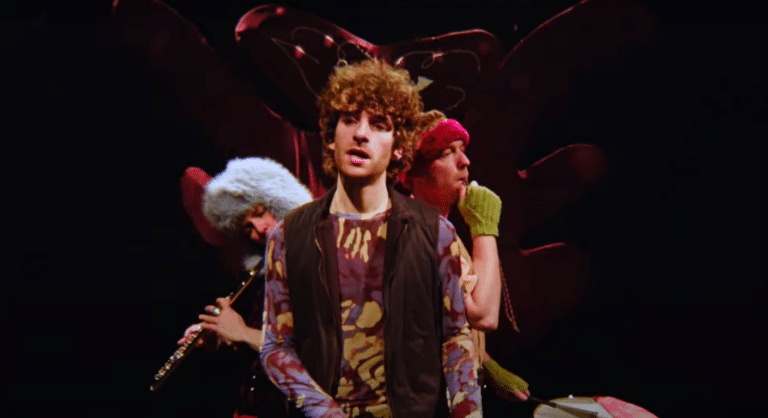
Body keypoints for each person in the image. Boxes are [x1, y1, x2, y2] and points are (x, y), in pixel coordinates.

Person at [260, 59, 481, 417]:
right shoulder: (289, 235)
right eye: (349, 120)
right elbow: (276, 346)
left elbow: (455, 338)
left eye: (379, 125)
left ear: (398, 147)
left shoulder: (435, 232)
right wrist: (326, 412)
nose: (360, 134)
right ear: (331, 136)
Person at [401, 111, 531, 402]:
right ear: (414, 171)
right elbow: (483, 315)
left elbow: (450, 319)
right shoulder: (414, 232)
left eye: (462, 150)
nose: (465, 161)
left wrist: (485, 362)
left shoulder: (441, 230)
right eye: (447, 153)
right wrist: (484, 228)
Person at [179, 156, 313, 418]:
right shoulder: (268, 272)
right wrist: (223, 338)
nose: (260, 230)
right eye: (247, 227)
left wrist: (242, 332)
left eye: (260, 213)